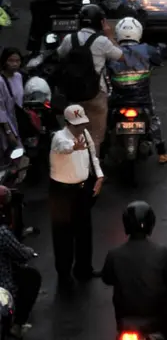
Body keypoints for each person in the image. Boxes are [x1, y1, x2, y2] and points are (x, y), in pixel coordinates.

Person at [101, 201, 167, 340]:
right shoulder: (162, 253)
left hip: (125, 320)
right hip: (157, 321)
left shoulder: (114, 254)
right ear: (151, 224)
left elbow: (107, 278)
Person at [48, 103, 104, 288]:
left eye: (82, 124)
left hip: (82, 189)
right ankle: (64, 275)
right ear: (67, 123)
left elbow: (93, 156)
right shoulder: (59, 138)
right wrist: (74, 146)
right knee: (63, 235)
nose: (80, 128)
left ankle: (84, 269)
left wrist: (99, 176)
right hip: (62, 192)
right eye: (76, 125)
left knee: (84, 232)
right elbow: (63, 147)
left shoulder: (85, 135)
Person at [56, 3, 123, 151]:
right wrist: (110, 35)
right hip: (96, 94)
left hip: (73, 95)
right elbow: (120, 56)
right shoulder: (102, 41)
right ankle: (93, 167)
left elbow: (60, 54)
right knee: (95, 136)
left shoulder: (69, 39)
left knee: (74, 133)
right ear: (100, 22)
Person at [107, 18, 167, 164]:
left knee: (107, 122)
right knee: (154, 120)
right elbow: (159, 59)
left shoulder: (111, 51)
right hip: (142, 100)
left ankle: (101, 154)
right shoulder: (148, 50)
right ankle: (162, 152)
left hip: (117, 100)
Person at [0, 186, 40, 329]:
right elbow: (21, 254)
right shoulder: (3, 232)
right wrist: (29, 251)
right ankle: (17, 325)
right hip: (3, 285)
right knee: (32, 277)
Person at [0, 48, 24, 152]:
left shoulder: (18, 76)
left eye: (17, 61)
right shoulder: (1, 81)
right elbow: (1, 109)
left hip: (18, 119)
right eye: (11, 60)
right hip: (6, 124)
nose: (14, 64)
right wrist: (9, 132)